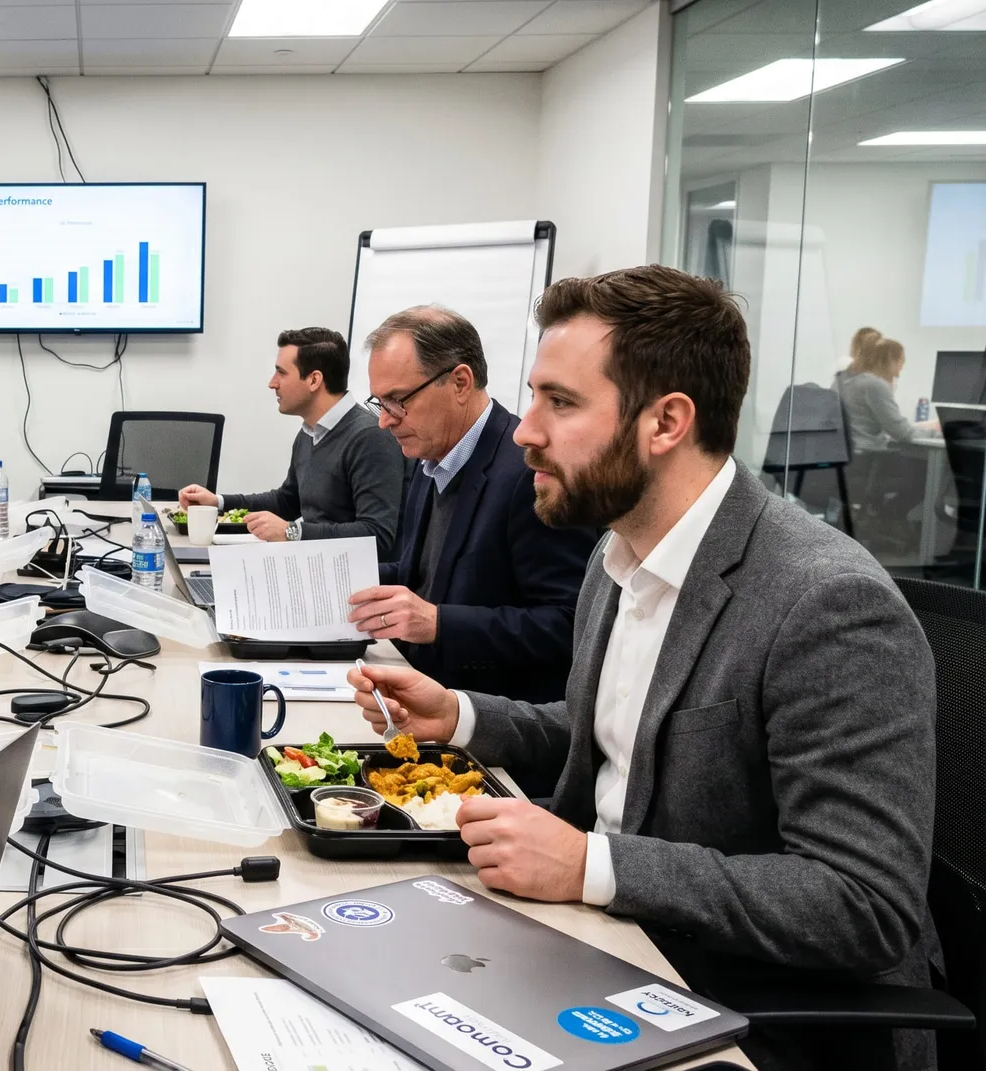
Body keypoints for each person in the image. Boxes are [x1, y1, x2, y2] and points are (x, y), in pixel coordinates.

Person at [348, 267, 935, 1071]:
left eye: (562, 402)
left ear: (666, 422)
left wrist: (594, 864)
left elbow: (860, 903)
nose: (524, 431)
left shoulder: (826, 604)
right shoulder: (618, 552)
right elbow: (612, 737)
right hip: (602, 943)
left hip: (736, 1006)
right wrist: (461, 714)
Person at [344, 305, 594, 704]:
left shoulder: (530, 474)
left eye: (396, 401)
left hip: (489, 718)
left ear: (460, 382)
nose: (384, 421)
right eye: (380, 403)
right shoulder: (431, 457)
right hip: (418, 692)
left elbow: (570, 626)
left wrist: (438, 623)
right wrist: (334, 575)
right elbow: (422, 573)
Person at [177, 327, 403, 555]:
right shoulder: (310, 432)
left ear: (314, 380)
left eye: (281, 373)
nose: (272, 383)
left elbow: (377, 535)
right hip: (313, 565)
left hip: (351, 580)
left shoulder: (370, 436)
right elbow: (288, 502)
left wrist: (292, 532)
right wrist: (217, 502)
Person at [837, 336, 919, 451]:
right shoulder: (874, 384)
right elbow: (901, 432)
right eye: (902, 360)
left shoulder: (844, 380)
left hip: (846, 453)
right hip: (867, 455)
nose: (902, 366)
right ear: (892, 361)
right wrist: (941, 434)